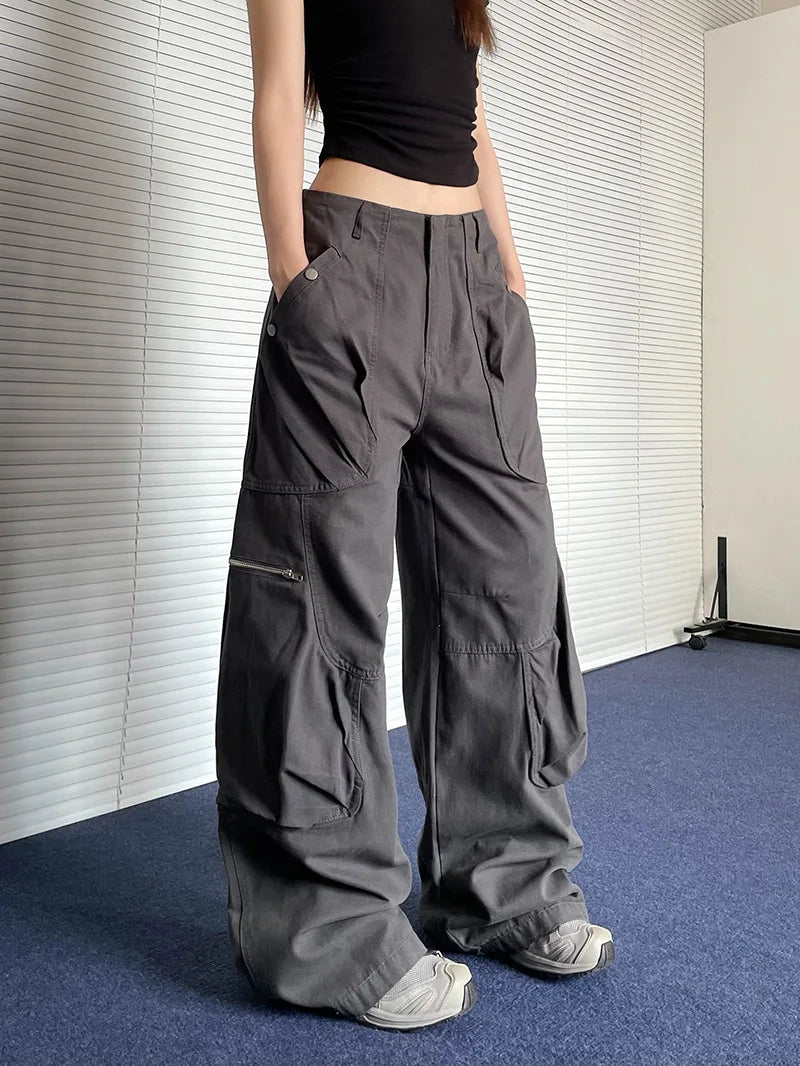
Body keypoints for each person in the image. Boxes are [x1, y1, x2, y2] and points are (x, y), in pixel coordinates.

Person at [214, 0, 615, 1032]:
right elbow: (276, 96)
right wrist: (296, 279)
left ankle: (506, 890)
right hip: (352, 260)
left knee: (506, 589)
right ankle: (332, 934)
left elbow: (468, 121)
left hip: (472, 279)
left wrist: (508, 276)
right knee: (319, 600)